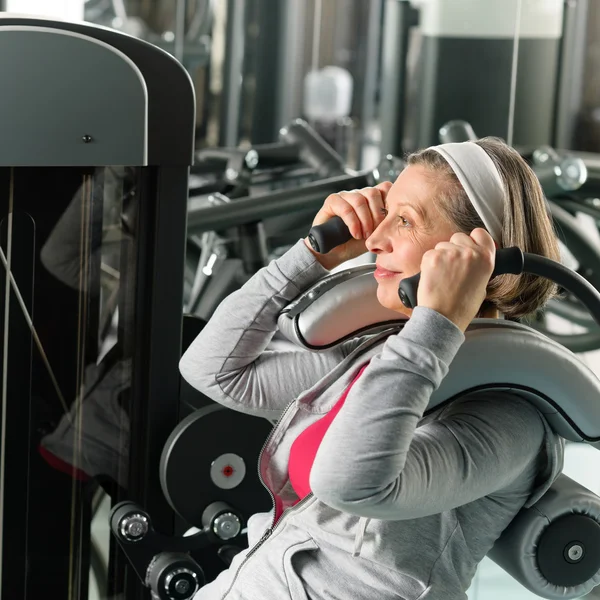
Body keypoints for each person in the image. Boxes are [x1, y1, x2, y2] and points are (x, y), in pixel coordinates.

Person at [179, 137, 564, 600]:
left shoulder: (508, 416)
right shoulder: (378, 354)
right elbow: (213, 371)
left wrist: (437, 324)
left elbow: (348, 482)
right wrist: (311, 257)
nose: (375, 239)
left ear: (479, 255)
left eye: (404, 221)